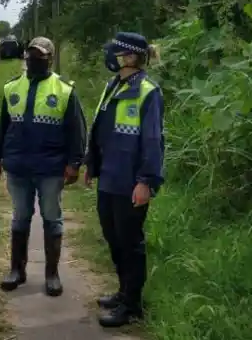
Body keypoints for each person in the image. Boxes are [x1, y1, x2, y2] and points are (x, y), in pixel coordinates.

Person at [0, 37, 86, 297]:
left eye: (40, 56)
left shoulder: (64, 89)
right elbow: (3, 125)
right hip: (18, 165)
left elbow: (76, 130)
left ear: (50, 58)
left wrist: (74, 163)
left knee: (52, 218)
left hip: (51, 168)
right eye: (31, 55)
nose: (34, 59)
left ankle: (51, 274)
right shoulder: (12, 88)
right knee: (20, 217)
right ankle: (17, 271)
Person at [84, 32, 165, 328]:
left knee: (130, 243)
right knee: (113, 238)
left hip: (131, 182)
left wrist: (146, 181)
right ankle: (123, 291)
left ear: (129, 57)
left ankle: (132, 306)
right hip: (109, 177)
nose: (111, 56)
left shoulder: (148, 91)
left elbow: (153, 141)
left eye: (116, 52)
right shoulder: (113, 86)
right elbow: (101, 128)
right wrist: (91, 164)